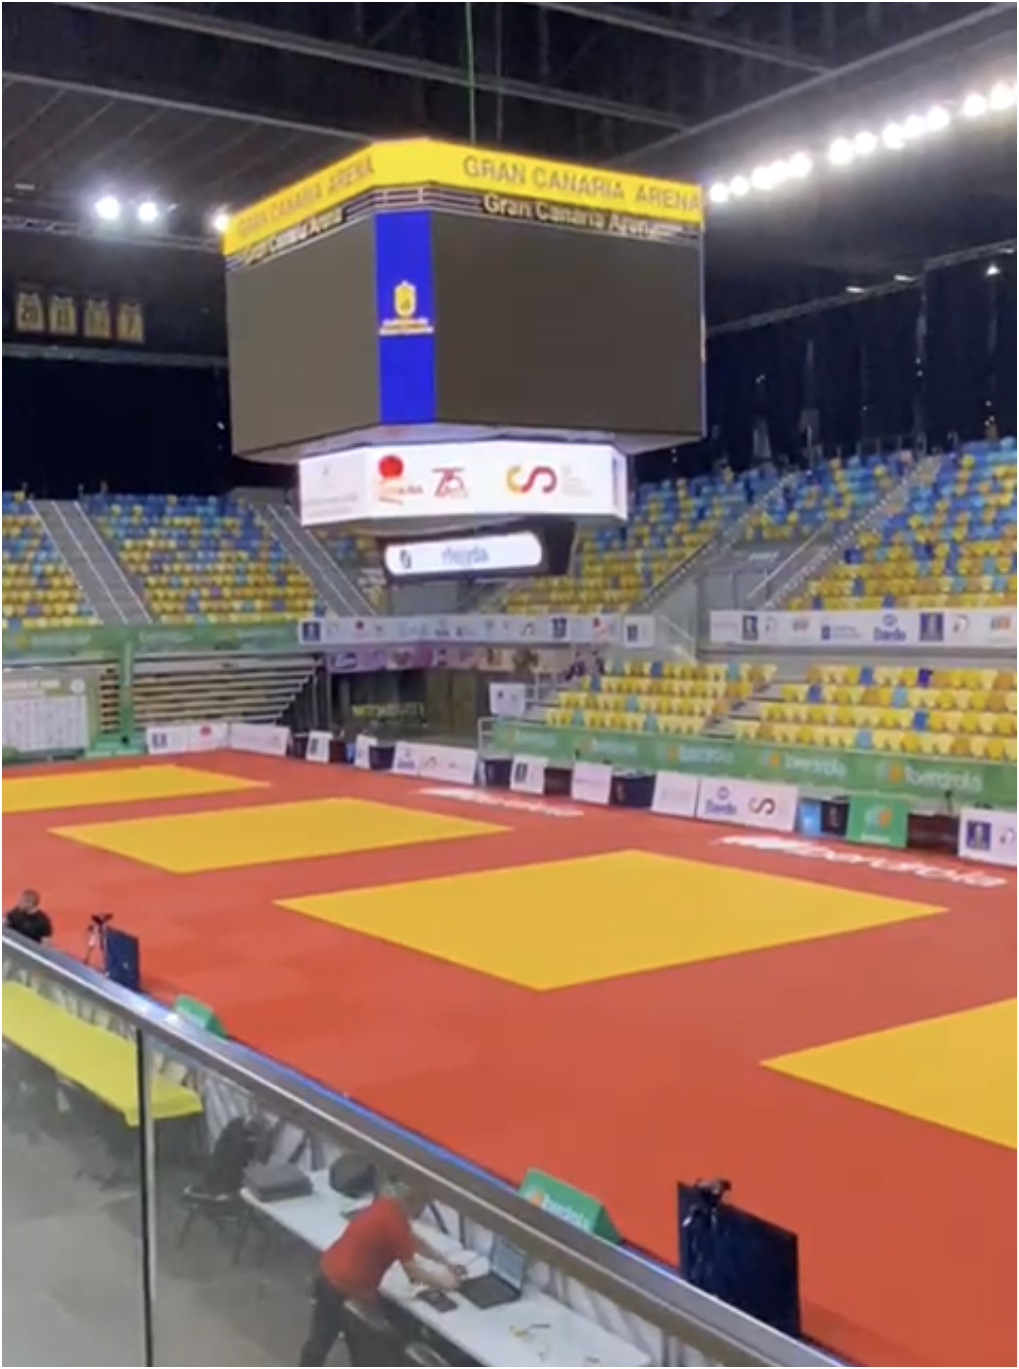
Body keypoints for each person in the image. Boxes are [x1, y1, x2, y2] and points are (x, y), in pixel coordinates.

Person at [298, 1183, 461, 1366]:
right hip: (345, 1286)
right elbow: (413, 1271)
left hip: (330, 1273)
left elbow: (411, 1240)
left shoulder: (386, 1207)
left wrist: (443, 1261)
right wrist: (444, 1283)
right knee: (329, 1337)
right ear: (416, 1202)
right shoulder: (395, 1223)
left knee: (324, 1337)